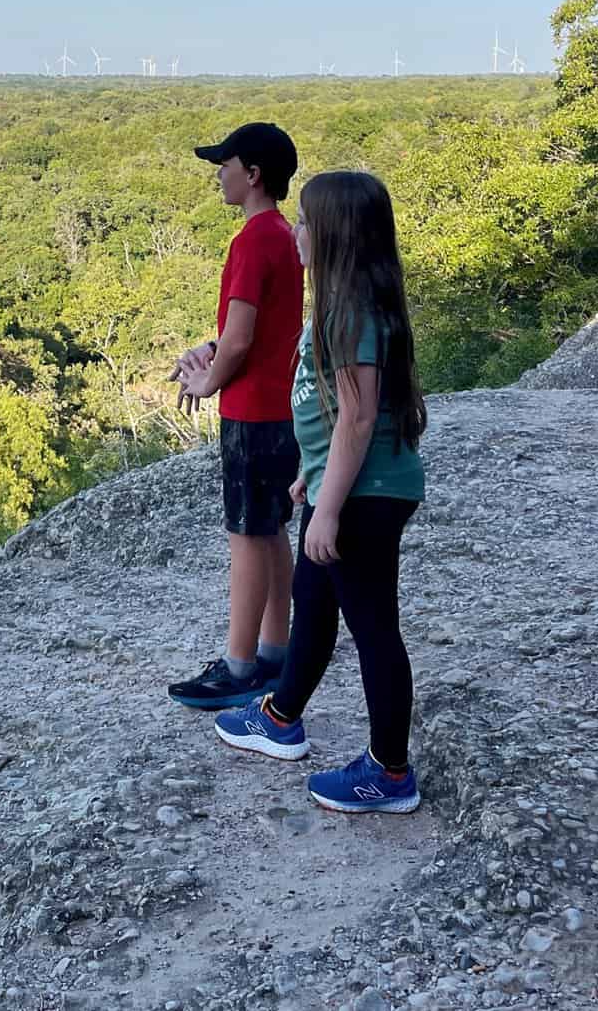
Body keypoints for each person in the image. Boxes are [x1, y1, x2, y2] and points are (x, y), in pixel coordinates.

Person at [212, 169, 429, 814]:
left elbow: (361, 418)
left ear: (332, 234)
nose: (297, 231)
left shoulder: (352, 310)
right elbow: (340, 416)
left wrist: (329, 509)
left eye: (306, 221)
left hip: (364, 497)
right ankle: (280, 717)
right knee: (314, 602)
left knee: (373, 629)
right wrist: (315, 472)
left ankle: (391, 773)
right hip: (348, 485)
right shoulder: (345, 302)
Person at [167, 121, 304, 709]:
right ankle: (276, 652)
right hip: (285, 408)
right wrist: (213, 347)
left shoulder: (250, 241)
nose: (218, 173)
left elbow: (243, 339)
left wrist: (208, 378)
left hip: (251, 411)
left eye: (226, 164)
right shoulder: (282, 235)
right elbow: (255, 333)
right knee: (271, 530)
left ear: (252, 175)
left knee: (247, 535)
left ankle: (239, 664)